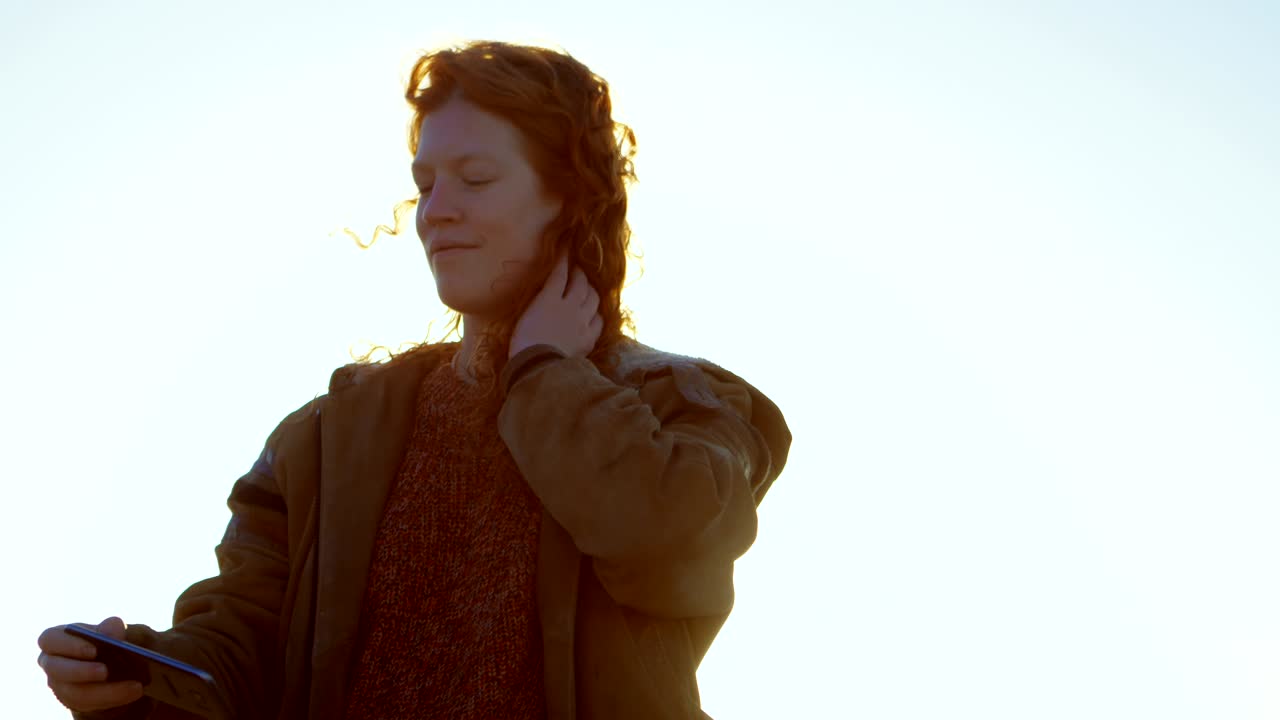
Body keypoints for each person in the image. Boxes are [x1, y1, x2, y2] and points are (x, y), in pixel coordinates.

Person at [36, 40, 792, 720]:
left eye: (475, 178)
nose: (436, 212)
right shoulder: (328, 436)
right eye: (425, 183)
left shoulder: (688, 403)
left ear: (567, 197)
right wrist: (138, 680)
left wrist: (543, 375)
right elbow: (242, 645)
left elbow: (672, 543)